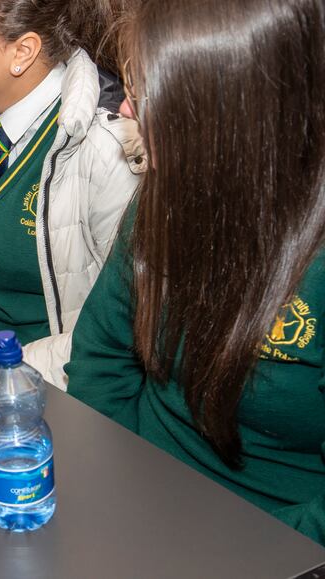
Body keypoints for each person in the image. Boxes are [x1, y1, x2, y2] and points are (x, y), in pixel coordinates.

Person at [66, 0, 325, 546]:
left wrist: (229, 552)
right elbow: (102, 359)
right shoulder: (167, 193)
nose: (126, 112)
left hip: (274, 543)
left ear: (227, 111)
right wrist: (118, 485)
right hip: (146, 497)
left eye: (146, 93)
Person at [0, 0, 144, 388]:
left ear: (22, 53)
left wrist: (5, 372)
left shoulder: (104, 147)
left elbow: (123, 327)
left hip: (66, 382)